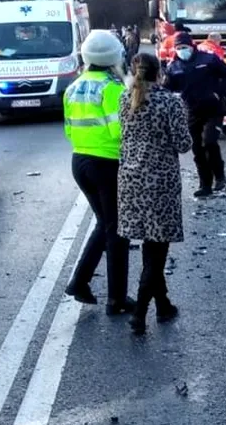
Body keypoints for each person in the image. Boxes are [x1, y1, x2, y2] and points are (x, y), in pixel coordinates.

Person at [118, 53, 193, 335]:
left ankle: (163, 305)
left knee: (151, 244)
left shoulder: (124, 99)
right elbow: (184, 144)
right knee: (157, 247)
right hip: (160, 181)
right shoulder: (170, 102)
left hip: (129, 180)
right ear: (159, 73)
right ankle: (139, 313)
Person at [62, 30, 135, 315]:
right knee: (118, 230)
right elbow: (121, 131)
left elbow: (68, 129)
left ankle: (79, 282)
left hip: (80, 161)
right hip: (107, 164)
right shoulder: (112, 88)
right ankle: (116, 299)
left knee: (104, 223)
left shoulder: (74, 86)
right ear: (113, 57)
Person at [165, 32, 226, 196]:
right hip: (190, 112)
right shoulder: (173, 67)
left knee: (209, 141)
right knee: (197, 149)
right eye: (179, 48)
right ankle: (205, 184)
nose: (183, 51)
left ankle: (219, 176)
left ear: (192, 46)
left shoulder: (208, 59)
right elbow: (167, 89)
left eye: (185, 47)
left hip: (213, 109)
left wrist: (219, 92)